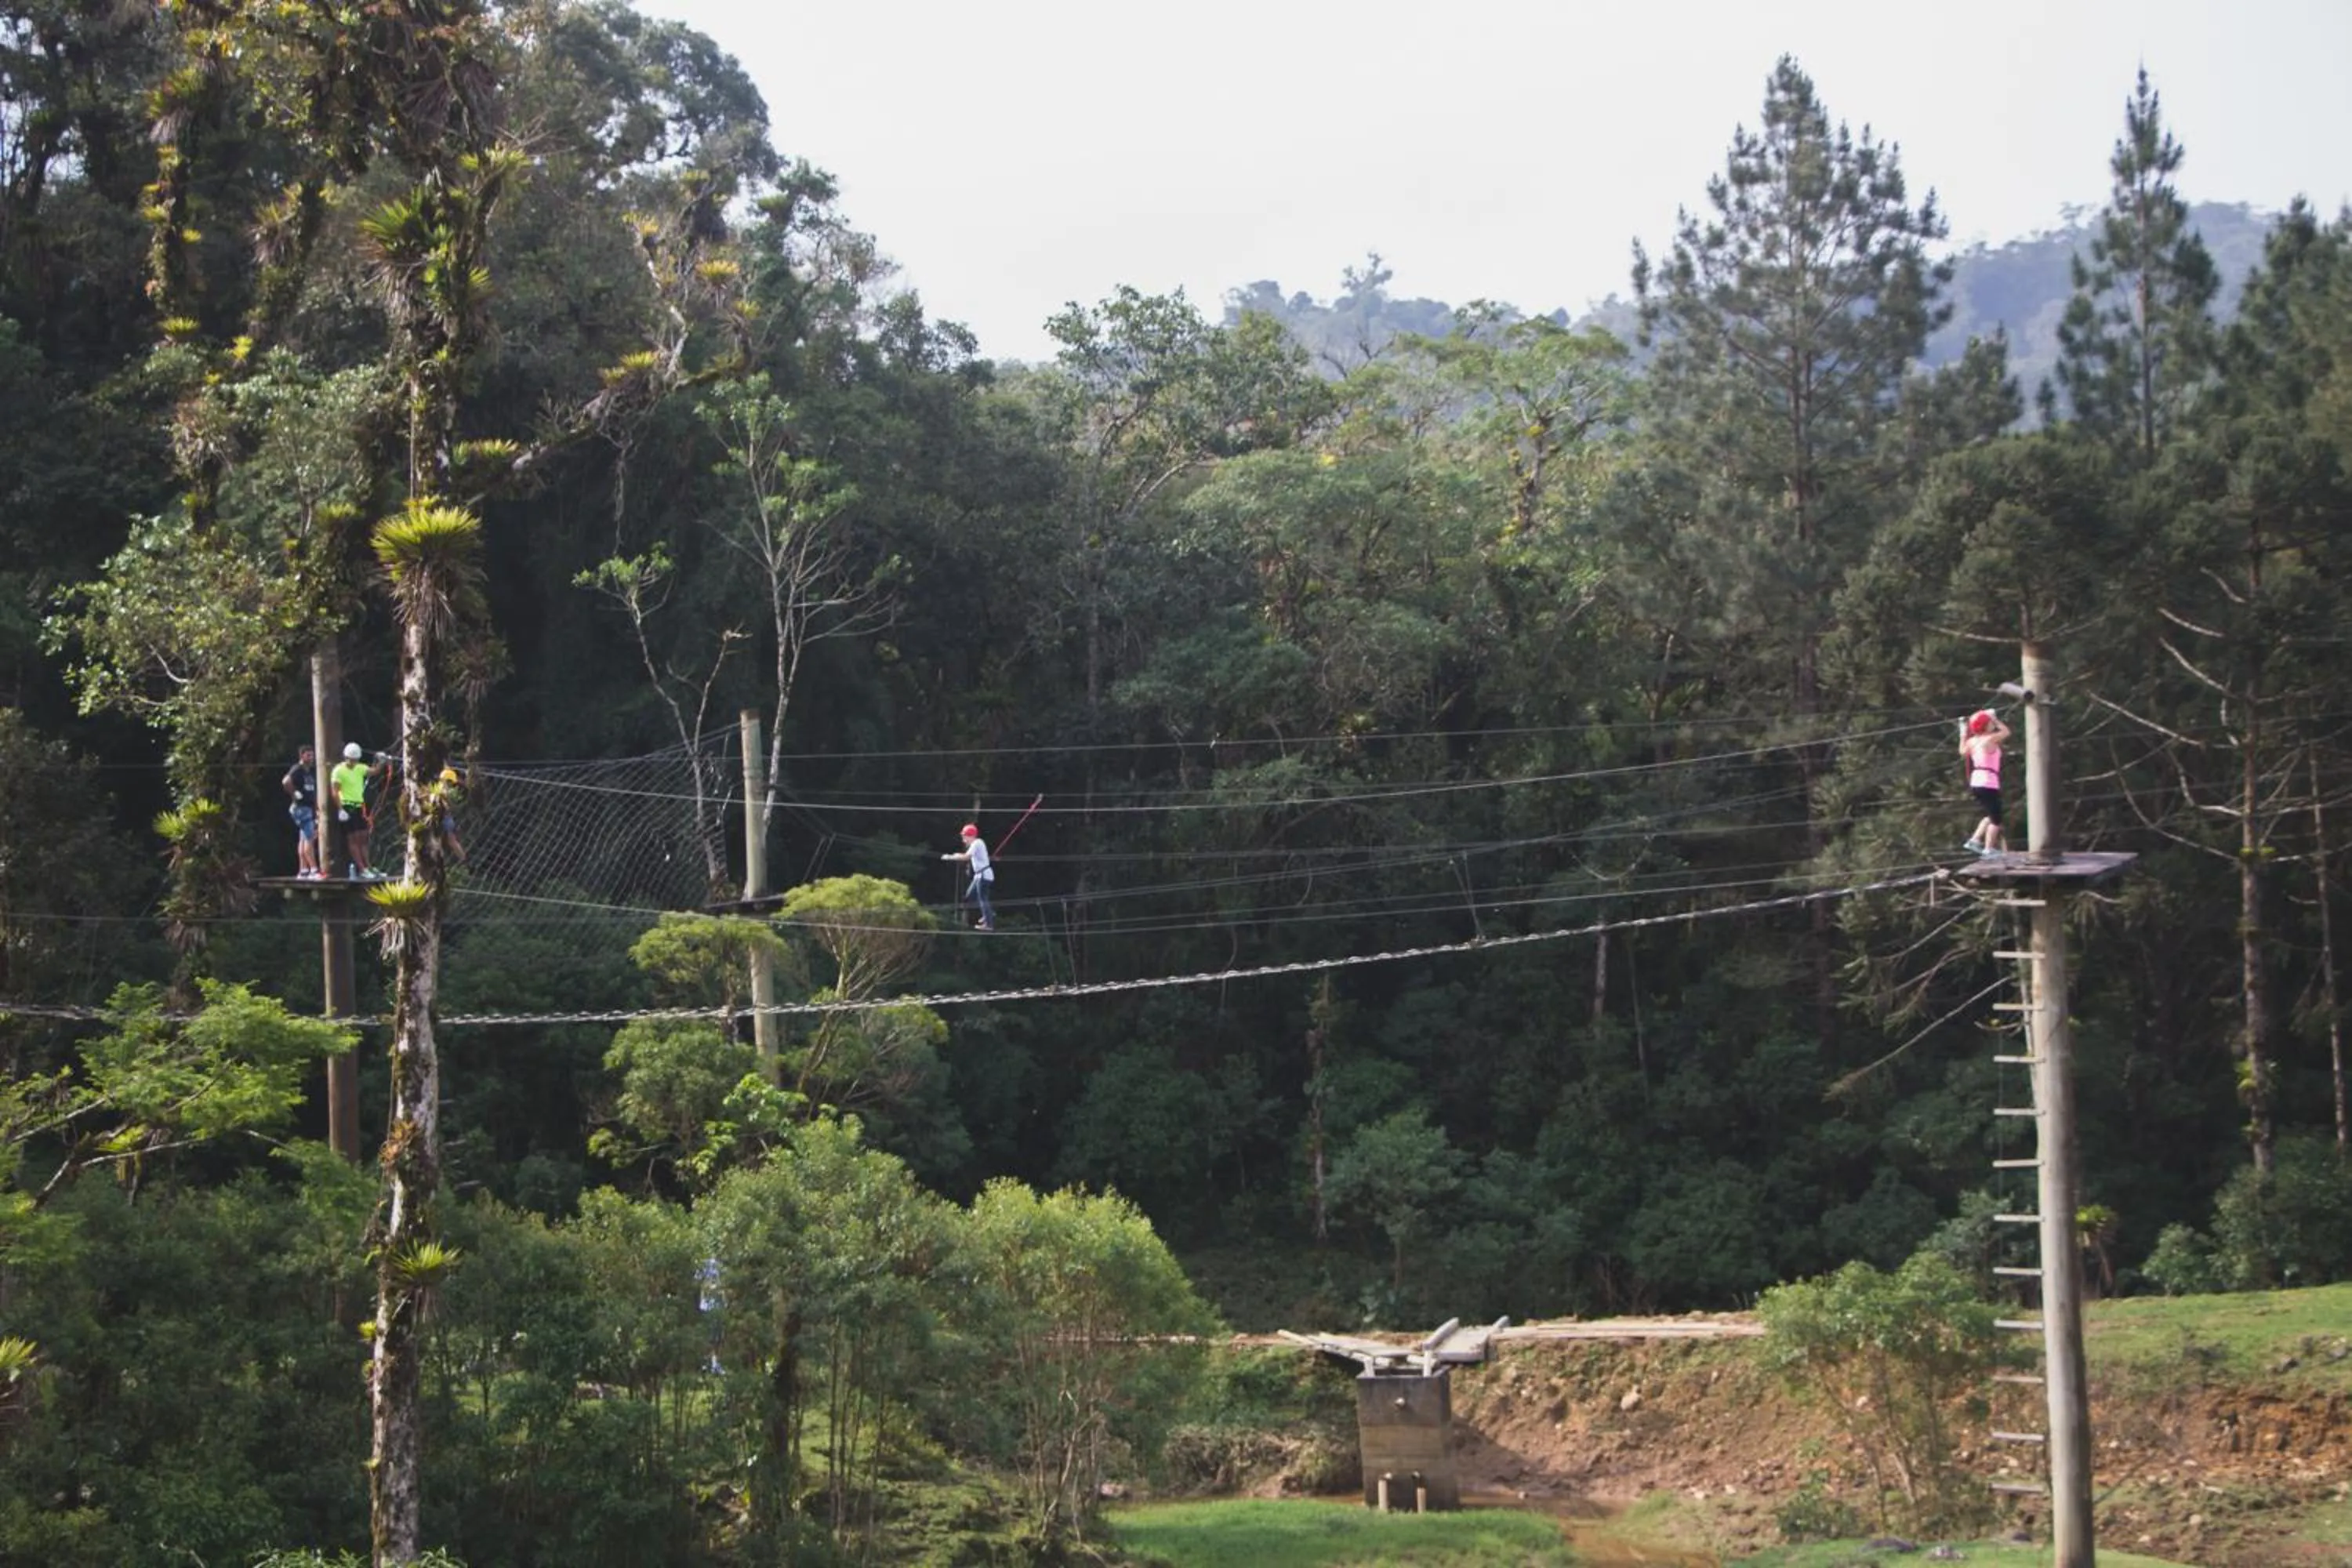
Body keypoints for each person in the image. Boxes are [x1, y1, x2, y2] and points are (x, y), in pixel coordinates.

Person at [1959, 709, 2012, 855]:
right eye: (1989, 723)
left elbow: (1963, 752)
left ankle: (1975, 840)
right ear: (1985, 726)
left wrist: (1963, 732)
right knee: (1996, 819)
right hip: (1989, 782)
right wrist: (1994, 718)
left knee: (1991, 814)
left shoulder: (1972, 741)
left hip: (1976, 781)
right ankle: (1989, 849)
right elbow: (2006, 732)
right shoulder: (1989, 740)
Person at [332, 741, 385, 879]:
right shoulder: (338, 770)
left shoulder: (360, 768)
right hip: (347, 806)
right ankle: (362, 869)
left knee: (364, 837)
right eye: (352, 759)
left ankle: (368, 867)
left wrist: (382, 761)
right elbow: (335, 792)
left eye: (356, 759)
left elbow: (375, 771)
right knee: (353, 839)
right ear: (346, 757)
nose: (354, 761)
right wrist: (340, 810)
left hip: (359, 806)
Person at [942, 823, 995, 931]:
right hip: (979, 876)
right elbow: (966, 856)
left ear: (970, 836)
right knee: (970, 896)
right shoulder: (975, 844)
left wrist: (950, 857)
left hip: (984, 875)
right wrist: (956, 856)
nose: (963, 839)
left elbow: (966, 857)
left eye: (964, 836)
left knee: (982, 898)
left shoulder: (977, 843)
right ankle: (988, 913)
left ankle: (989, 924)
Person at [283, 744, 321, 878]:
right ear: (302, 756)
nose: (311, 758)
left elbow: (313, 793)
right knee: (309, 839)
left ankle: (303, 870)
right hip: (301, 808)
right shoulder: (297, 769)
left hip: (308, 808)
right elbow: (286, 781)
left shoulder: (308, 772)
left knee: (304, 839)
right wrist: (294, 793)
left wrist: (316, 809)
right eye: (308, 755)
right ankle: (314, 870)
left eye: (312, 755)